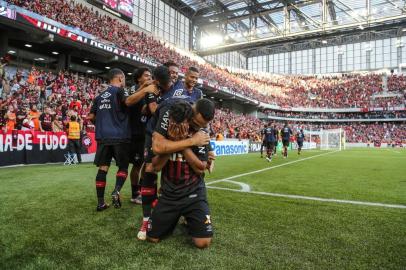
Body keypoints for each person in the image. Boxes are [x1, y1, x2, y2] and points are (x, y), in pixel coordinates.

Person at [147, 99, 215, 249]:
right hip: (169, 194)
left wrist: (183, 142)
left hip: (194, 194)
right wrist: (183, 141)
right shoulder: (169, 116)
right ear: (191, 113)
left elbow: (200, 168)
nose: (197, 127)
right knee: (152, 238)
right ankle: (171, 217)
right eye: (196, 123)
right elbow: (156, 164)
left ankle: (188, 217)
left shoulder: (200, 134)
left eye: (201, 126)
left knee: (203, 243)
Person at [88, 68, 130, 211]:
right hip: (119, 136)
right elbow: (128, 103)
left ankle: (100, 203)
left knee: (103, 168)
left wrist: (101, 124)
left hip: (103, 137)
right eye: (123, 79)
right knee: (123, 167)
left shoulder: (99, 97)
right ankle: (116, 190)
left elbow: (91, 117)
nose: (124, 82)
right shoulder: (120, 91)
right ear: (119, 78)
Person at [124, 67, 159, 204]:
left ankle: (141, 189)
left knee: (147, 163)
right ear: (138, 78)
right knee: (137, 165)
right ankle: (134, 193)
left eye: (150, 76)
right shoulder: (133, 90)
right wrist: (143, 89)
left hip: (146, 133)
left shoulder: (151, 92)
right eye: (146, 75)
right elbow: (128, 103)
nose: (149, 78)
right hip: (134, 133)